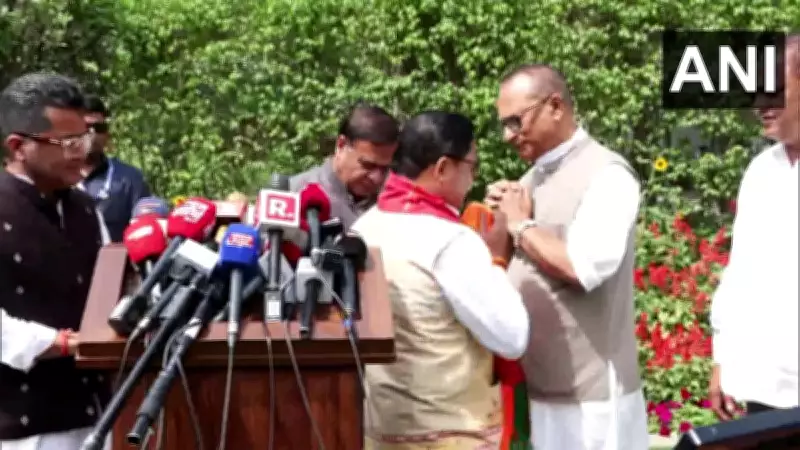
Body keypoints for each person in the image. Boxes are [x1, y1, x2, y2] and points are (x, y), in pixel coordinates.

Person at [485, 64, 648, 450]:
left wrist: (520, 225)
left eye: (515, 121)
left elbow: (583, 266)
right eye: (503, 125)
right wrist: (497, 226)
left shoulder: (608, 175)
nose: (508, 136)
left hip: (591, 401)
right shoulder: (528, 181)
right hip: (539, 387)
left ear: (555, 106)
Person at [353, 111, 529, 449]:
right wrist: (497, 258)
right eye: (472, 166)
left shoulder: (364, 227)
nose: (473, 179)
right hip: (451, 433)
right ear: (443, 168)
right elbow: (512, 337)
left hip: (381, 430)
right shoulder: (451, 241)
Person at [0, 73, 112, 449]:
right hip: (25, 430)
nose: (82, 152)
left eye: (85, 138)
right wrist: (60, 343)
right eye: (67, 143)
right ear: (18, 146)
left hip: (99, 418)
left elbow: (114, 290)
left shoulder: (87, 209)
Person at [709, 35, 799, 424]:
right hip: (765, 387)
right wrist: (723, 360)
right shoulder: (761, 171)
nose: (760, 104)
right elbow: (740, 273)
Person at [290, 103, 399, 229]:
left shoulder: (392, 207)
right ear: (341, 145)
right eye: (368, 165)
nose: (377, 178)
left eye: (385, 168)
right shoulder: (294, 196)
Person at [80, 94, 151, 242]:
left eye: (99, 128)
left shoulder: (130, 179)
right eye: (86, 127)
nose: (92, 133)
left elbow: (145, 231)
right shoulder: (55, 177)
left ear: (107, 134)